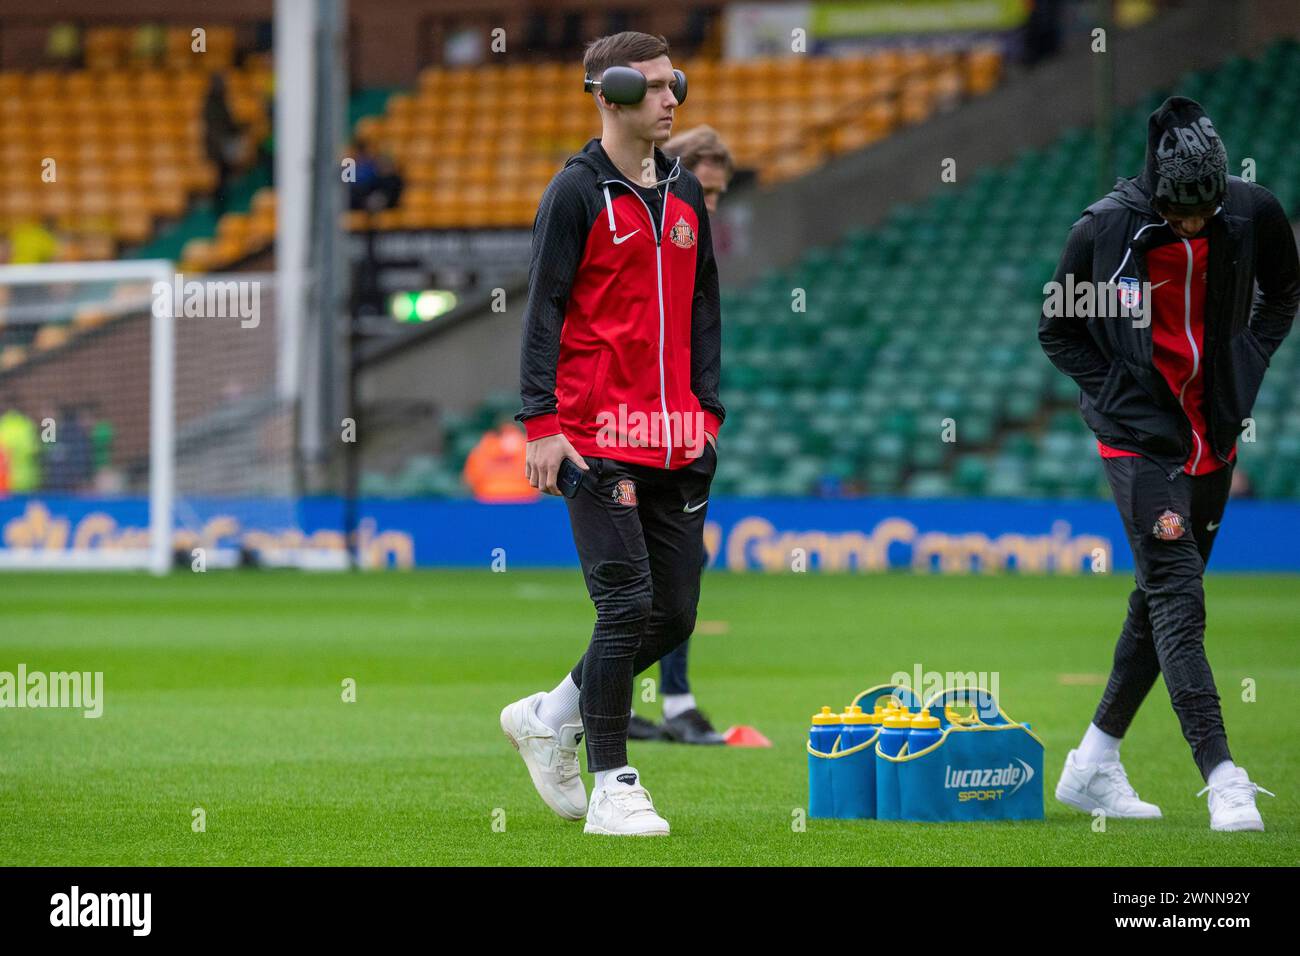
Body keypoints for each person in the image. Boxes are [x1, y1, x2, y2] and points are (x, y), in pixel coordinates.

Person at [1039, 96, 1298, 832]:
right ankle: (1223, 776)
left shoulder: (1252, 214)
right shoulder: (1105, 228)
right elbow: (1057, 333)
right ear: (1156, 185)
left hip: (1212, 436)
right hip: (1138, 441)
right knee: (1180, 598)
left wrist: (1248, 359)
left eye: (1204, 210)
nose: (1193, 223)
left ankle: (1092, 764)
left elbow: (1284, 293)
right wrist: (1125, 398)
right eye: (1180, 211)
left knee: (1156, 600)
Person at [499, 31, 723, 836]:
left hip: (677, 438)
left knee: (673, 616)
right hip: (595, 435)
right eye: (657, 87)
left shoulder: (688, 195)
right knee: (625, 602)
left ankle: (548, 713)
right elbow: (544, 312)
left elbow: (705, 313)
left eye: (677, 86)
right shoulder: (575, 193)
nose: (673, 101)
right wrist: (542, 424)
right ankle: (613, 784)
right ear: (611, 92)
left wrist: (709, 411)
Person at [627, 124, 734, 745]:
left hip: (679, 420)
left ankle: (632, 699)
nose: (711, 206)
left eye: (718, 197)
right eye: (709, 193)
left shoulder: (689, 243)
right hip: (633, 424)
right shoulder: (647, 227)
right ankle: (667, 702)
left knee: (670, 570)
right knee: (658, 572)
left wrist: (705, 413)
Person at [461, 416, 540, 503]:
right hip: (520, 501)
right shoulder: (530, 447)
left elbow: (469, 481)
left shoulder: (482, 448)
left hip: (493, 501)